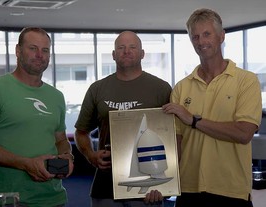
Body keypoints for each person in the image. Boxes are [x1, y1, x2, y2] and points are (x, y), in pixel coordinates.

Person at [162, 8, 262, 207]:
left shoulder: (246, 81)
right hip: (189, 190)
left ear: (221, 36)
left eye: (207, 34)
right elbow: (177, 144)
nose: (201, 42)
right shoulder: (181, 87)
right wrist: (165, 184)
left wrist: (194, 120)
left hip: (231, 191)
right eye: (195, 37)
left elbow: (243, 133)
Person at [0, 27, 74, 207]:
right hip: (12, 200)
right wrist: (25, 164)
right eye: (33, 48)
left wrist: (67, 156)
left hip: (55, 199)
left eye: (45, 50)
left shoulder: (56, 96)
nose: (40, 54)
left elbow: (60, 139)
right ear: (18, 51)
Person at [74, 31, 173, 207]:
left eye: (132, 47)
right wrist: (91, 155)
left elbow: (173, 138)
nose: (126, 51)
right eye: (121, 47)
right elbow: (81, 132)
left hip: (149, 188)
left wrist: (164, 185)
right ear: (113, 55)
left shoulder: (161, 89)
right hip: (105, 187)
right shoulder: (97, 89)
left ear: (142, 53)